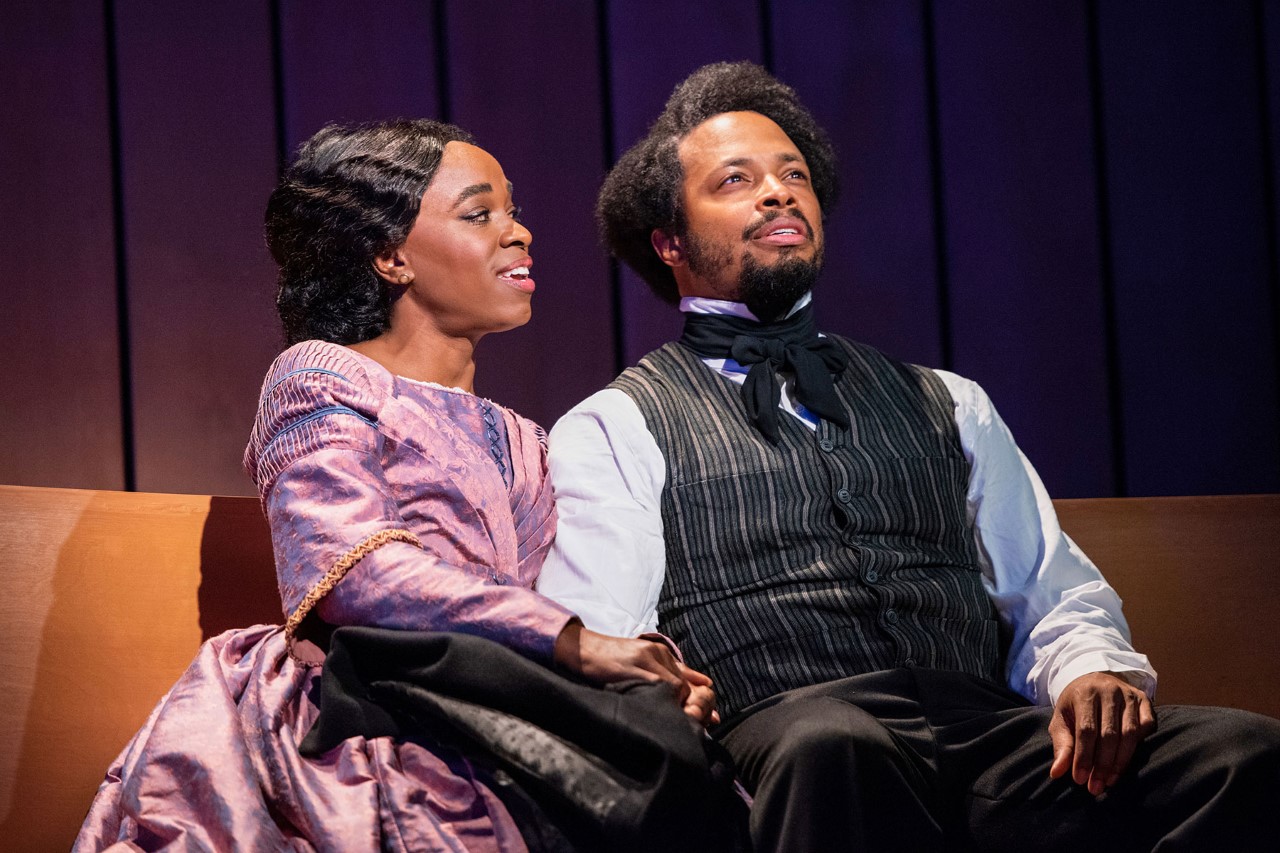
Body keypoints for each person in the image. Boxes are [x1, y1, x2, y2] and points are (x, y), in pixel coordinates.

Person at [537, 62, 1280, 851]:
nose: (779, 191)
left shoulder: (947, 399)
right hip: (788, 743)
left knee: (1243, 755)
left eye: (794, 174)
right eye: (735, 180)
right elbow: (602, 634)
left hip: (987, 737)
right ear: (669, 240)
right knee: (835, 744)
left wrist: (1090, 671)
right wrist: (657, 695)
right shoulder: (616, 423)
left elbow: (1048, 592)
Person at [75, 119, 718, 852]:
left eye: (513, 210)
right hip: (370, 704)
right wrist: (571, 643)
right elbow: (358, 571)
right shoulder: (322, 376)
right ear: (390, 255)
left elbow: (577, 588)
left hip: (509, 693)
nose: (520, 233)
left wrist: (645, 658)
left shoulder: (528, 439)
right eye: (480, 214)